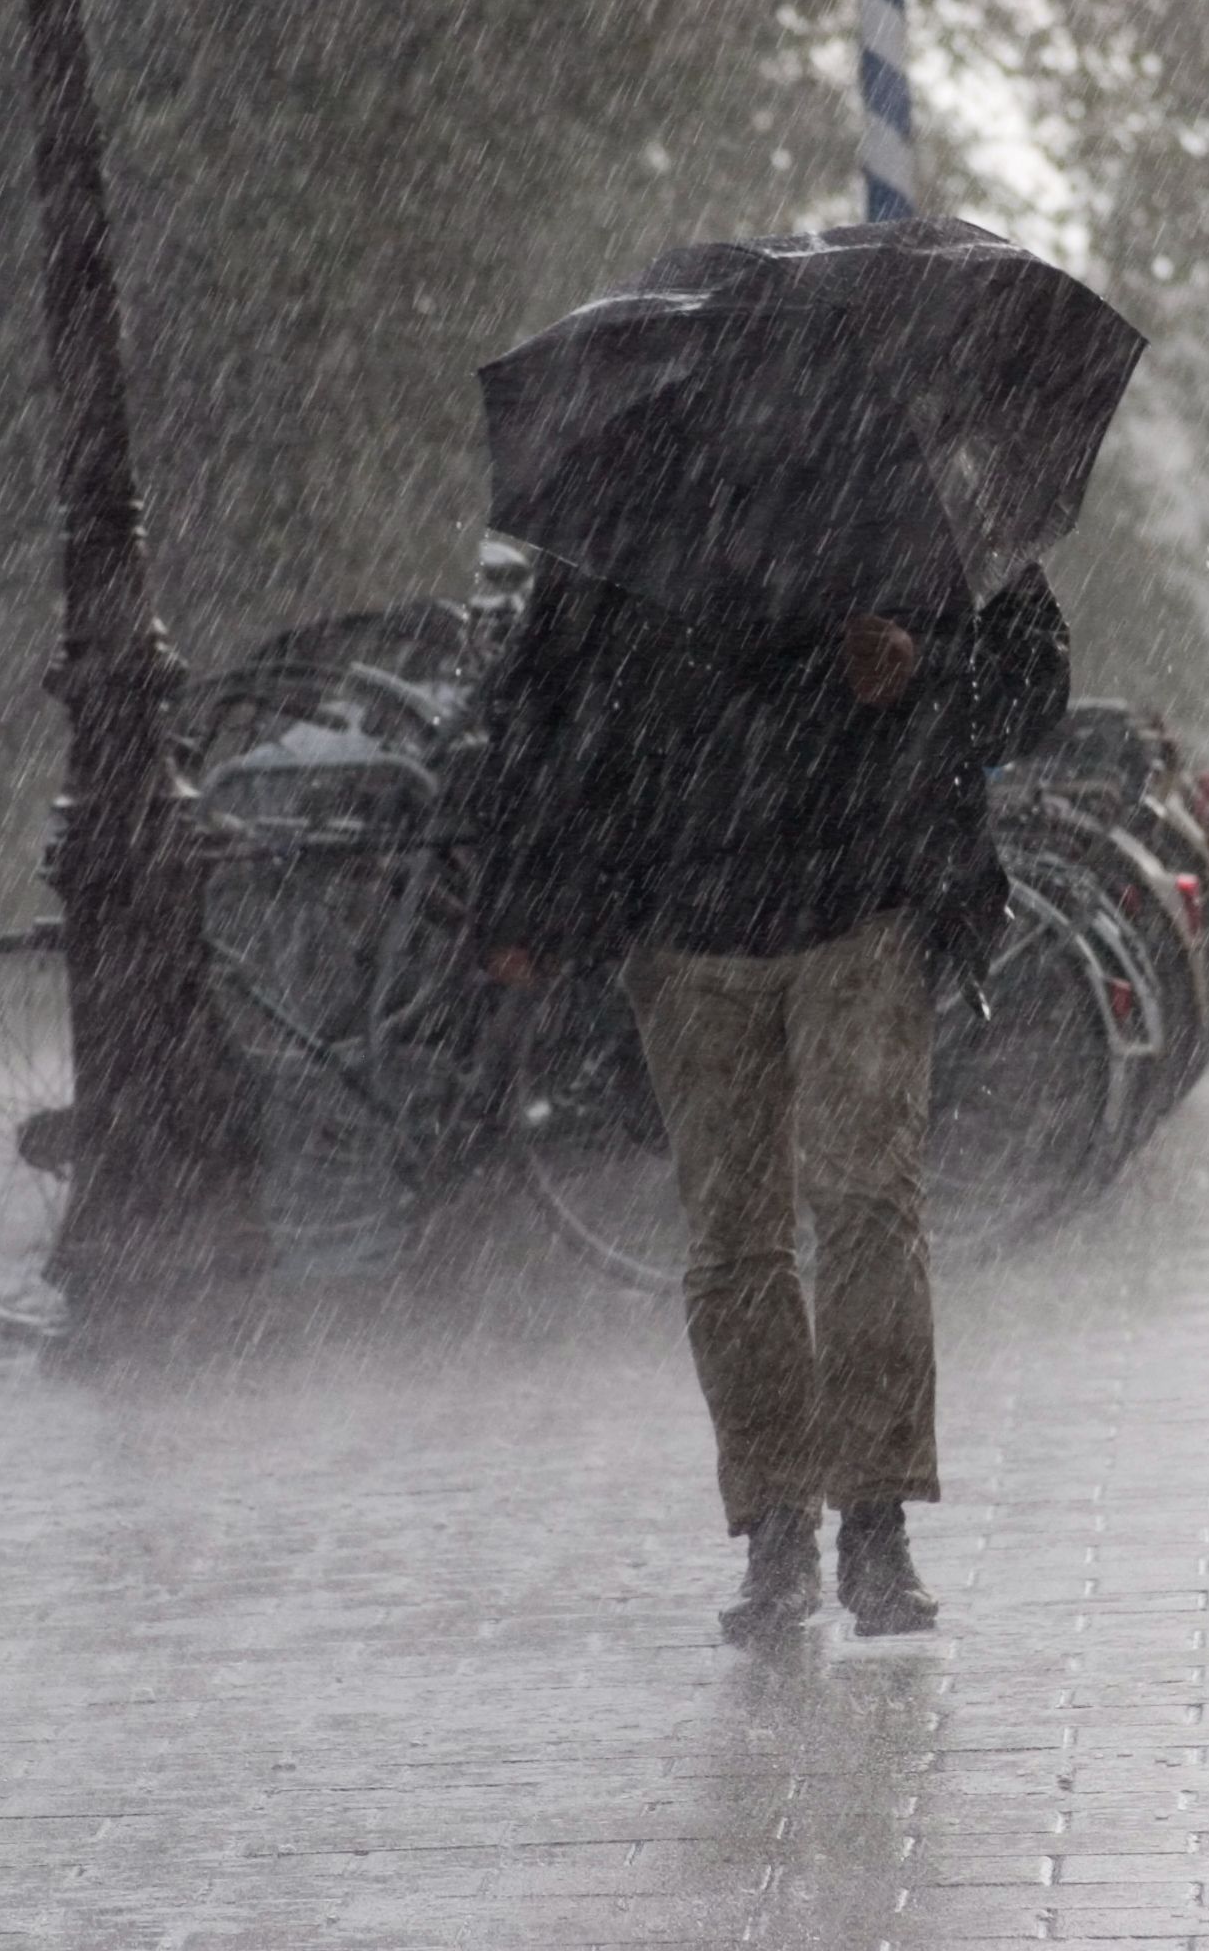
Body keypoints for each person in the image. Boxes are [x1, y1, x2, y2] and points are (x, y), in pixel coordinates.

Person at [475, 538, 1070, 1641]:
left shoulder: (906, 487)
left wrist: (923, 666)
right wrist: (524, 899)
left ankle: (875, 1523)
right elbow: (544, 701)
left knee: (865, 1206)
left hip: (866, 903)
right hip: (686, 923)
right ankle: (777, 1527)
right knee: (736, 1235)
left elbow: (1033, 678)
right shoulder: (636, 504)